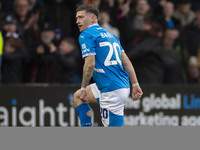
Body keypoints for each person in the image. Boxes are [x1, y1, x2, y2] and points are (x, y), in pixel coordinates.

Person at [73, 4, 143, 127]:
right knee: (78, 96)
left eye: (81, 17)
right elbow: (126, 61)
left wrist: (84, 88)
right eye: (77, 18)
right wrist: (135, 84)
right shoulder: (111, 35)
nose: (77, 21)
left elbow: (90, 64)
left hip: (111, 90)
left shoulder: (86, 34)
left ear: (93, 18)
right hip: (119, 85)